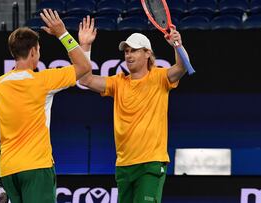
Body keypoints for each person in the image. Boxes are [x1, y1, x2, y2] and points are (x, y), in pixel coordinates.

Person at [0, 9, 91, 203]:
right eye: (39, 50)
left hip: (9, 171)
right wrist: (62, 34)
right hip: (37, 168)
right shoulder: (44, 80)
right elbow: (84, 67)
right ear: (33, 51)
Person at [78, 16, 188, 203]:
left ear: (147, 54)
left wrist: (177, 45)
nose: (128, 55)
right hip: (124, 166)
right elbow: (85, 80)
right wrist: (85, 46)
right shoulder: (118, 82)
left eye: (134, 51)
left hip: (150, 164)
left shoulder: (160, 77)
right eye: (126, 51)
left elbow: (182, 66)